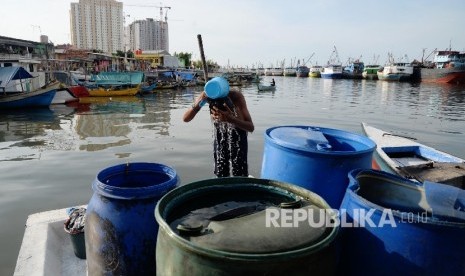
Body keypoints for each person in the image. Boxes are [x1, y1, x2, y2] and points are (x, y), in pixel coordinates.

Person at [183, 89, 254, 177]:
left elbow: (251, 127)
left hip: (238, 138)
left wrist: (231, 119)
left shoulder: (236, 97)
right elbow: (185, 119)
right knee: (221, 174)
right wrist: (197, 104)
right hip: (220, 138)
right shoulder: (207, 95)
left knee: (240, 174)